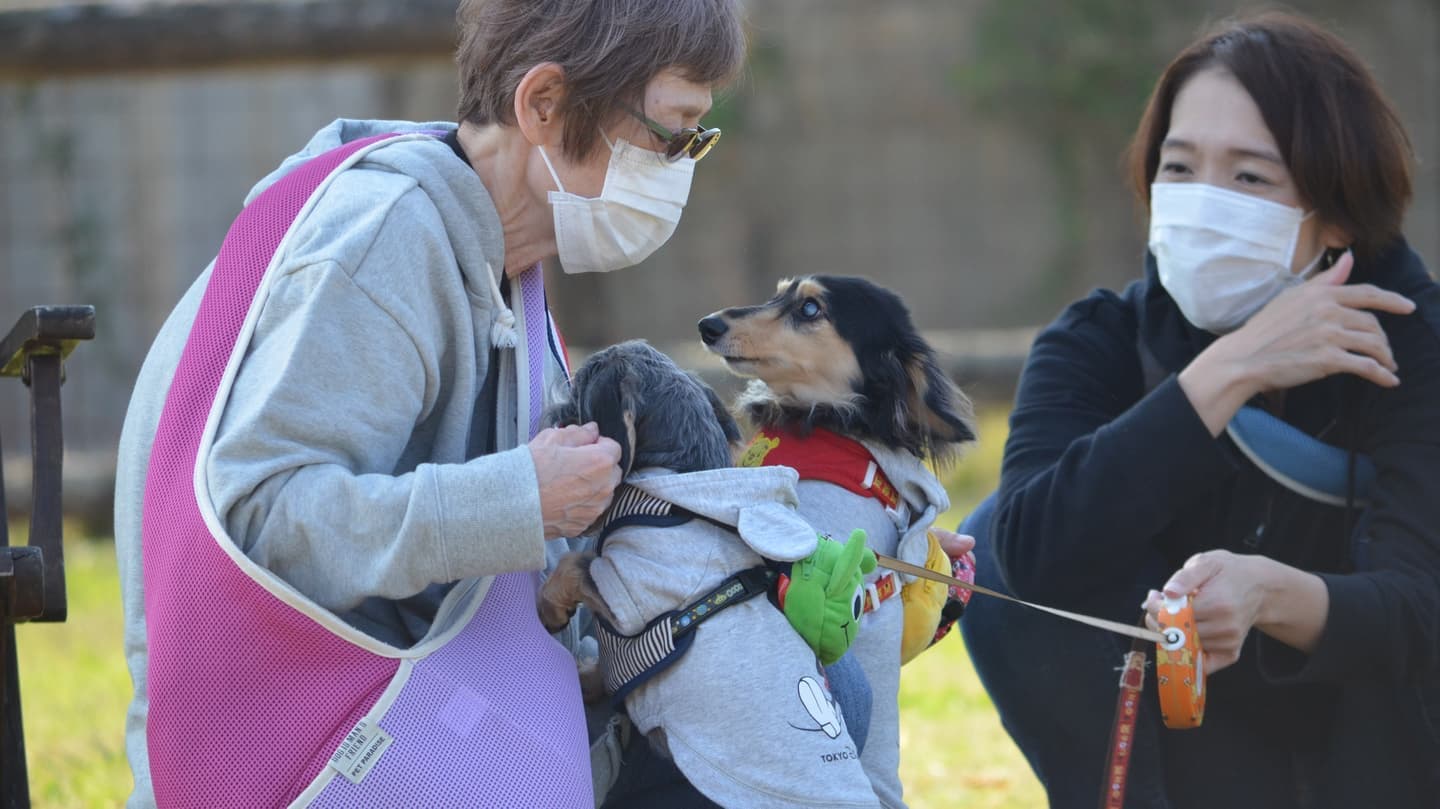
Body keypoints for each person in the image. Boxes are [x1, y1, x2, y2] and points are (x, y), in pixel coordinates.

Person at [112, 1, 745, 806]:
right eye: (670, 132)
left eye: (697, 137)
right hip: (316, 758)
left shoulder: (504, 257)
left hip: (415, 720)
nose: (680, 163)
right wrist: (519, 498)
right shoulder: (387, 241)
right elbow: (257, 518)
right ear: (543, 105)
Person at [961, 11, 1439, 809]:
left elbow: (1418, 607)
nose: (1202, 201)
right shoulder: (1098, 340)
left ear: (1338, 214)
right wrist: (1228, 371)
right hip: (1181, 757)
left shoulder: (1415, 354)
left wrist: (1267, 595)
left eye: (1250, 178)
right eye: (1179, 169)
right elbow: (1029, 554)